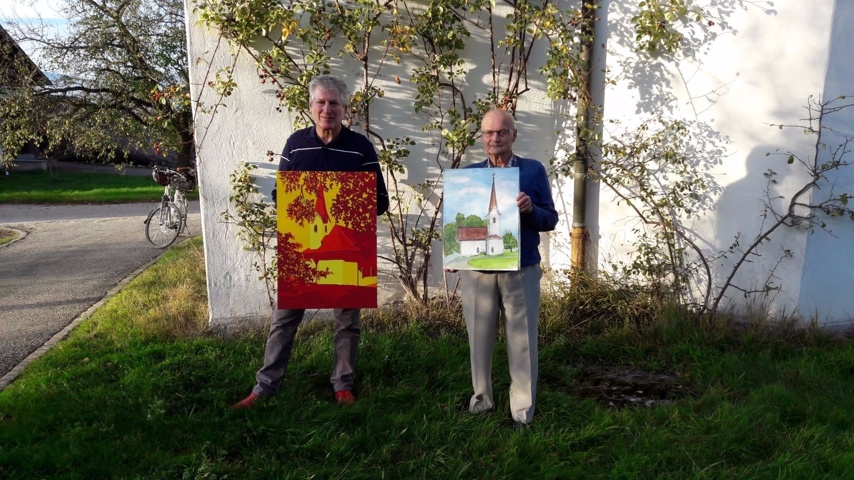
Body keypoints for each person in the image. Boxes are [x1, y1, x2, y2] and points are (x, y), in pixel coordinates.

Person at [233, 75, 389, 409]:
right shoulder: (295, 144)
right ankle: (265, 387)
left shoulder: (360, 147)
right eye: (321, 102)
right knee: (284, 319)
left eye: (334, 103)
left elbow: (380, 200)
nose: (327, 109)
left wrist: (349, 204)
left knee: (347, 322)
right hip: (303, 247)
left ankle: (343, 385)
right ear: (310, 106)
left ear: (345, 108)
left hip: (346, 248)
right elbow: (281, 194)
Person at [459, 108, 558, 426]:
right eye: (489, 132)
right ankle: (481, 400)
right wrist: (455, 255)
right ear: (482, 137)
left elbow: (550, 219)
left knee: (522, 339)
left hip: (521, 269)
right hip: (478, 274)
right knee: (479, 338)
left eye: (502, 132)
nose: (495, 138)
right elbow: (462, 227)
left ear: (513, 135)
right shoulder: (470, 176)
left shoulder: (532, 171)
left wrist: (530, 210)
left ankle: (522, 409)